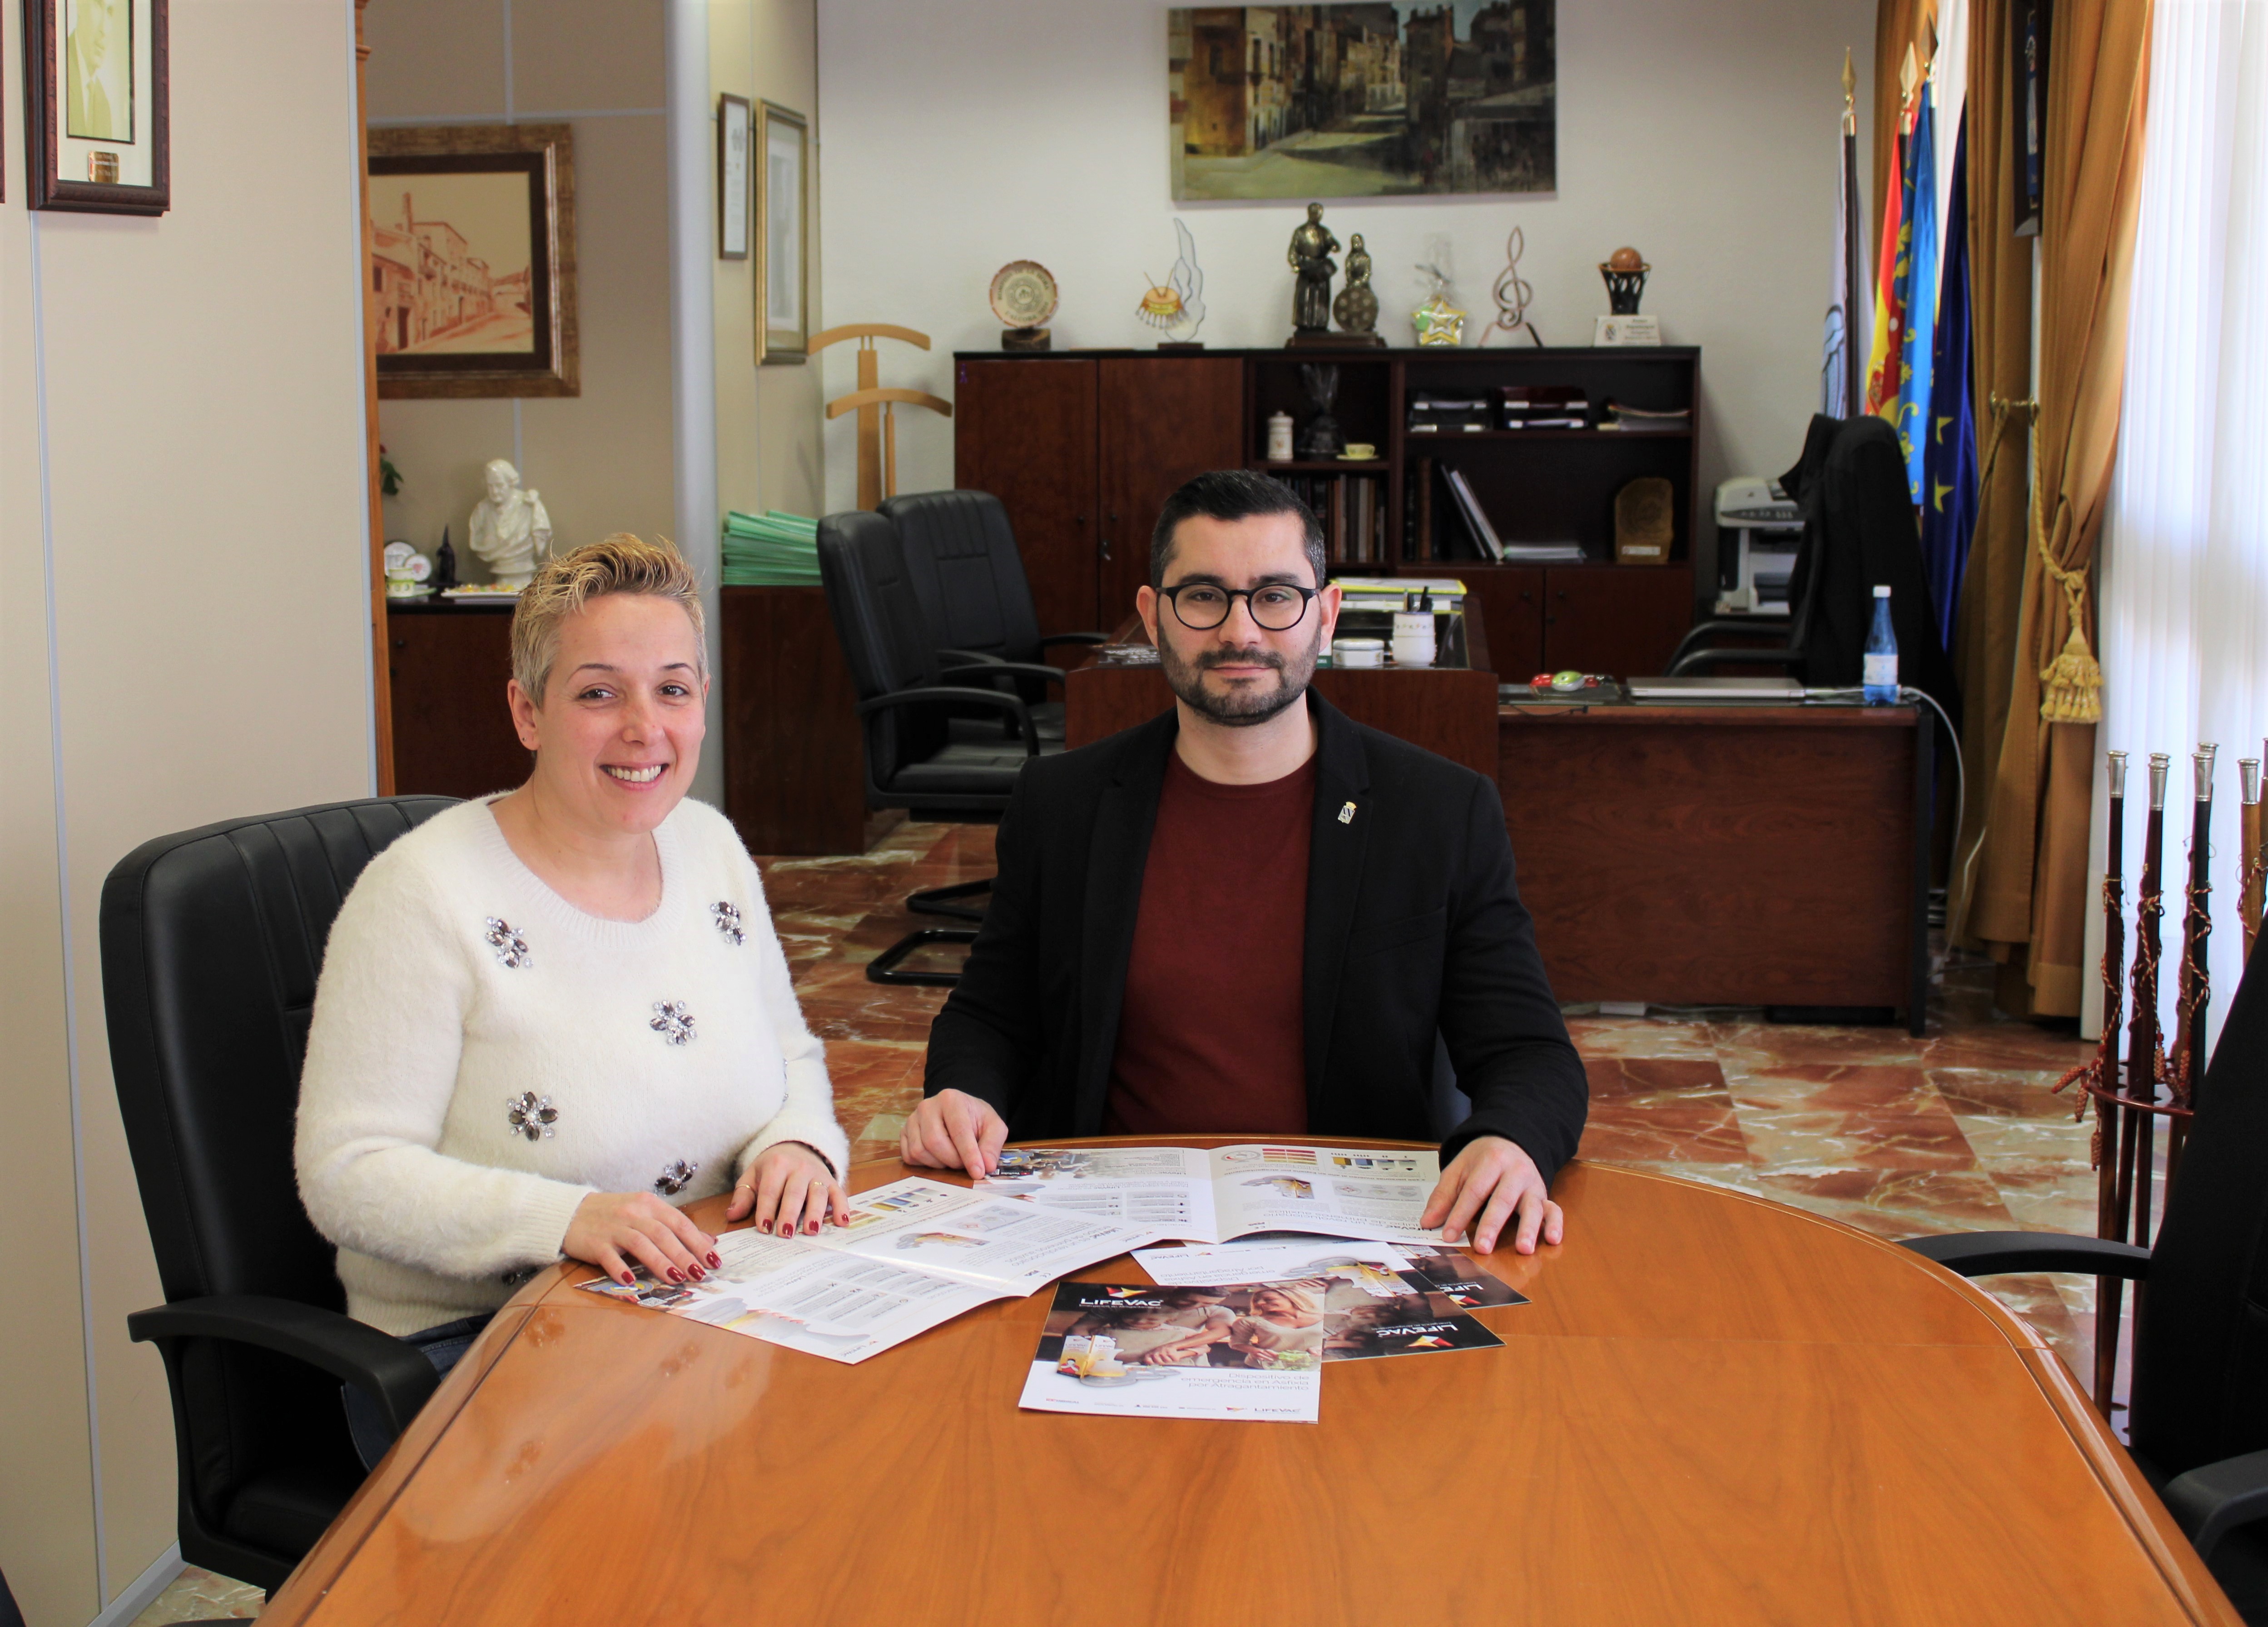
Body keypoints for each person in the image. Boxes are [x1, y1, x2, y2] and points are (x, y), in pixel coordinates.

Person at [904, 469, 1586, 1255]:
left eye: (1275, 596)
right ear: (1152, 616)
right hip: (1109, 1225)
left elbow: (1528, 1050)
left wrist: (1510, 1139)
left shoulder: (1438, 811)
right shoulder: (1061, 803)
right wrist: (962, 1092)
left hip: (1346, 1230)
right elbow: (990, 1013)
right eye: (1203, 596)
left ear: (1325, 615)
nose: (1240, 631)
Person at [297, 534, 849, 1466]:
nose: (644, 727)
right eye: (599, 693)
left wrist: (796, 1142)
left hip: (698, 1302)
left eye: (672, 689)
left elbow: (789, 1051)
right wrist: (566, 1218)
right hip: (481, 1345)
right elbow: (346, 1173)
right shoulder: (422, 895)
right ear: (528, 711)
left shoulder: (710, 846)